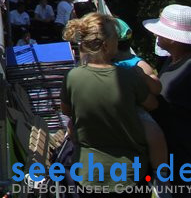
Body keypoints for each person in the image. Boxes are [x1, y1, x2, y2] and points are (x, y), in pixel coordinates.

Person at [61, 12, 154, 191]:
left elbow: (66, 110)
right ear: (106, 45)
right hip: (129, 172)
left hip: (87, 171)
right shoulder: (128, 76)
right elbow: (152, 104)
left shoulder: (72, 77)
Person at [143, 4, 191, 180]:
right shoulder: (169, 62)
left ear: (173, 39)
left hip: (189, 160)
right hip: (172, 155)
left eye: (161, 31)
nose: (155, 34)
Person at [111, 17, 167, 171]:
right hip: (129, 109)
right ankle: (161, 172)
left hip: (132, 108)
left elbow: (153, 88)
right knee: (155, 136)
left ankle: (160, 172)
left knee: (154, 135)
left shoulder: (135, 64)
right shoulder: (138, 63)